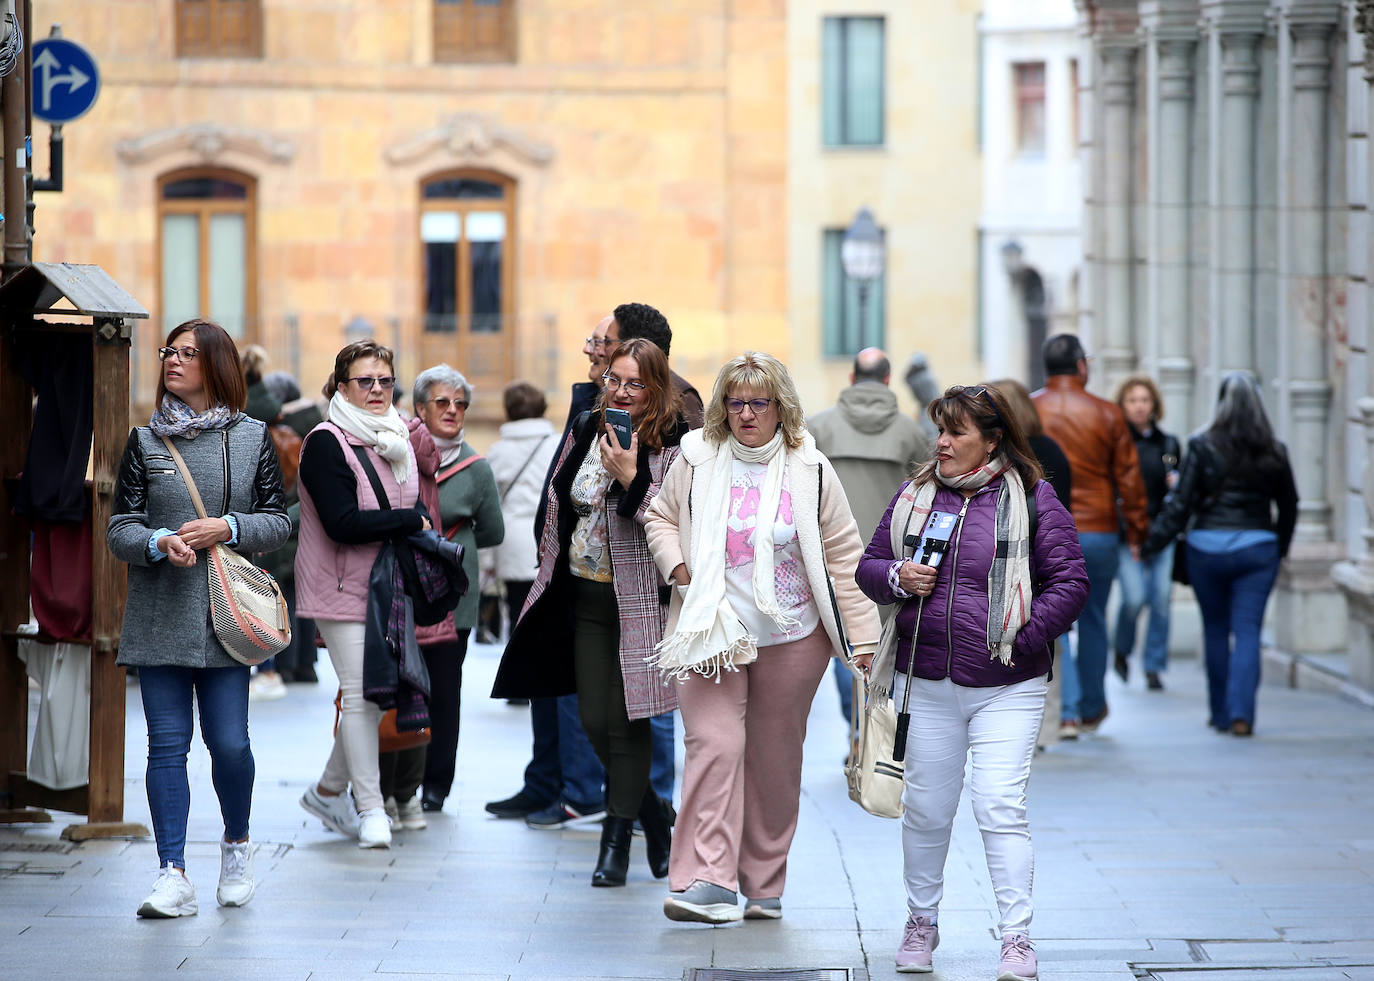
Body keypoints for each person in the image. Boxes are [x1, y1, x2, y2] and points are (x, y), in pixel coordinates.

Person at [856, 384, 1088, 978]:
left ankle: (1016, 938)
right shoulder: (915, 495)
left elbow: (1070, 583)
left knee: (998, 805)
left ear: (992, 439)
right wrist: (900, 578)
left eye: (956, 432)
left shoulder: (1034, 497)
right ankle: (921, 922)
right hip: (927, 678)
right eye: (940, 430)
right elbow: (869, 568)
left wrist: (1024, 640)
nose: (942, 443)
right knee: (928, 811)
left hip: (1007, 684)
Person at [644, 351, 881, 924]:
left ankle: (764, 882)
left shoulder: (811, 467)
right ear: (723, 405)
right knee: (715, 746)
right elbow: (660, 516)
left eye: (760, 402)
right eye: (736, 401)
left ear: (782, 407)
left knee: (775, 761)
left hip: (793, 634)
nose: (747, 413)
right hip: (710, 630)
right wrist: (679, 569)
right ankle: (707, 879)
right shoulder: (696, 459)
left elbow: (843, 553)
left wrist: (864, 637)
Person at [108, 319, 291, 918]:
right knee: (166, 746)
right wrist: (158, 541)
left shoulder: (252, 437)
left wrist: (228, 528)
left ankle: (236, 847)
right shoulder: (143, 441)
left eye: (188, 353)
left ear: (216, 366)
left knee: (230, 745)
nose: (173, 361)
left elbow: (278, 521)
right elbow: (119, 529)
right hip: (159, 615)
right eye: (170, 351)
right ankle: (172, 874)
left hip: (225, 621)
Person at [493, 338, 685, 888]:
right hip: (581, 593)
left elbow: (672, 521)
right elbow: (558, 498)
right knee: (596, 721)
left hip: (639, 599)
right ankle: (653, 813)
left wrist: (630, 475)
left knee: (628, 721)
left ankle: (617, 841)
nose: (621, 392)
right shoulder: (585, 426)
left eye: (635, 383)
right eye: (614, 380)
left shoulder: (675, 443)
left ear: (656, 389)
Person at [296, 340, 432, 850]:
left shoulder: (394, 437)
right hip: (338, 585)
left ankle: (328, 790)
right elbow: (342, 523)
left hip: (385, 588)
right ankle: (370, 808)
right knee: (360, 695)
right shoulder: (326, 442)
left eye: (384, 381)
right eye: (365, 382)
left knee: (371, 701)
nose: (377, 390)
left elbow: (412, 500)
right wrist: (408, 522)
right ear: (342, 386)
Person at [486, 317, 612, 828]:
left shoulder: (621, 404)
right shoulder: (589, 401)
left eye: (598, 342)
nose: (587, 348)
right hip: (553, 561)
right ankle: (546, 781)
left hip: (587, 571)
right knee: (545, 674)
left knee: (569, 684)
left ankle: (579, 790)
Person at [1142, 371, 1298, 736]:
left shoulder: (1201, 444)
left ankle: (1220, 713)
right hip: (1258, 549)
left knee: (1215, 629)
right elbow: (1289, 504)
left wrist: (1152, 544)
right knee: (1248, 632)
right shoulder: (1274, 450)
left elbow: (1181, 504)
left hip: (1207, 549)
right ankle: (1242, 714)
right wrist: (1280, 548)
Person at [808, 347, 930, 728]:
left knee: (847, 639)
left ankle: (857, 730)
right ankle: (879, 726)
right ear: (889, 379)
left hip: (832, 552)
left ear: (851, 378)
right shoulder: (910, 432)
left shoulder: (819, 428)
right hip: (890, 558)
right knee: (886, 641)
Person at [1032, 334, 1147, 733]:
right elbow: (1129, 479)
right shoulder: (1107, 413)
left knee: (1051, 616)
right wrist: (1136, 529)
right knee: (1095, 618)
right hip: (1098, 528)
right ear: (1082, 366)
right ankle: (1091, 708)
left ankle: (1064, 708)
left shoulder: (1031, 410)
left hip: (1045, 529)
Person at [411, 364, 504, 814]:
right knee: (396, 685)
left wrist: (448, 549)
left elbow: (492, 532)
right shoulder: (398, 455)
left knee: (444, 690)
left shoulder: (476, 467)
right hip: (403, 590)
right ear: (419, 408)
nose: (453, 410)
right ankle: (395, 776)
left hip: (454, 597)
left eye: (460, 404)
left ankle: (435, 784)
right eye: (442, 402)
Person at [987, 378, 1077, 743]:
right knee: (1057, 635)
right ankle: (1061, 717)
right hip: (1048, 555)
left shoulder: (1002, 457)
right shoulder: (1052, 450)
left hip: (1018, 558)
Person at [481, 381, 559, 665]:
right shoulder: (557, 444)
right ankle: (542, 674)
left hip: (511, 539)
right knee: (547, 613)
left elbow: (490, 507)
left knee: (516, 609)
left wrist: (487, 558)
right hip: (548, 538)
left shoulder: (497, 451)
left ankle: (518, 677)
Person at [1113, 376, 1181, 691]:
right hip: (1127, 534)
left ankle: (1154, 666)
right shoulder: (1116, 444)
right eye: (1132, 400)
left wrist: (1176, 485)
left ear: (1154, 405)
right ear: (1122, 406)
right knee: (1134, 597)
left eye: (1145, 400)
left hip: (1161, 532)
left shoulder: (1168, 444)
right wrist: (1131, 532)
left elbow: (1179, 495)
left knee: (1162, 598)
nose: (1140, 406)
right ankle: (1122, 650)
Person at [612, 301, 704, 428]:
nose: (597, 350)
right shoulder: (590, 424)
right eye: (613, 380)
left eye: (634, 384)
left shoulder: (683, 398)